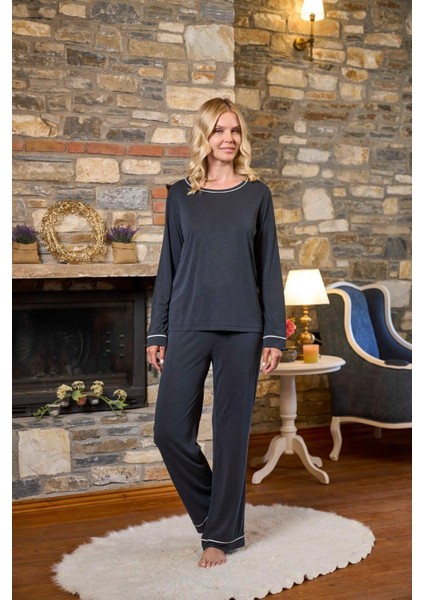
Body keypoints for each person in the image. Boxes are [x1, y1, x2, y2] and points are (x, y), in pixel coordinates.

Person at [146, 97, 286, 569]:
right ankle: (217, 518)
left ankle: (220, 537)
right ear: (203, 136)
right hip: (188, 322)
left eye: (234, 130)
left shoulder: (257, 194)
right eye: (219, 130)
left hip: (243, 327)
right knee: (169, 432)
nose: (228, 138)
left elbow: (269, 268)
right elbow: (168, 266)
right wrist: (157, 331)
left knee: (231, 436)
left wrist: (274, 335)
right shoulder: (180, 195)